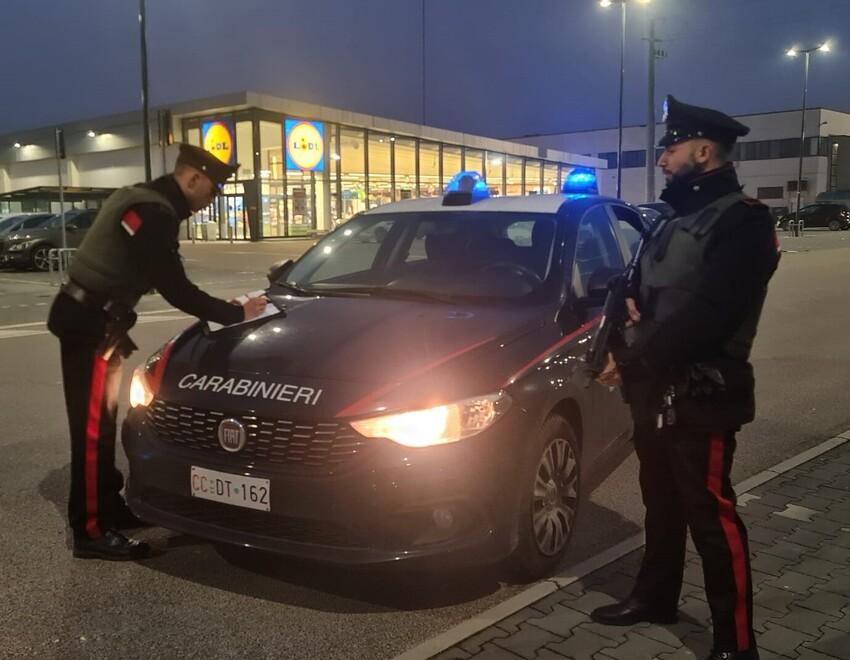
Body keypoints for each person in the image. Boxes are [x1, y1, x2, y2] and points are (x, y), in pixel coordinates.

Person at [590, 96, 780, 660]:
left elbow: (710, 313)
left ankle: (735, 641)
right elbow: (641, 284)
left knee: (711, 516)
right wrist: (624, 297)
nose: (664, 158)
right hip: (655, 389)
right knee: (660, 501)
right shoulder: (674, 218)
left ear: (703, 150)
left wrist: (630, 358)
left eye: (671, 148)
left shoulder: (743, 221)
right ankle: (655, 597)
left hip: (702, 391)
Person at [47, 143, 268, 561]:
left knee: (104, 424)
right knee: (93, 431)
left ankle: (110, 509)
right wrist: (235, 312)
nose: (211, 201)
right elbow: (175, 286)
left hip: (92, 320)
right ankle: (91, 530)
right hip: (91, 324)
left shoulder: (142, 198)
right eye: (212, 191)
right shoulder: (154, 212)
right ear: (192, 179)